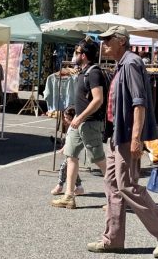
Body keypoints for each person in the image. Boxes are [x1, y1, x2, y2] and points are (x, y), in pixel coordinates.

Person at [87, 25, 158, 257]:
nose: (104, 44)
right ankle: (113, 239)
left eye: (108, 40)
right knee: (112, 185)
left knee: (127, 185)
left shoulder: (130, 63)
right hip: (117, 135)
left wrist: (136, 138)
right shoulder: (123, 64)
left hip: (127, 136)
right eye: (103, 40)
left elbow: (139, 103)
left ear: (121, 41)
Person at [51, 38, 108, 210]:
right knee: (71, 155)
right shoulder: (83, 71)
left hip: (90, 123)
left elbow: (98, 100)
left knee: (99, 160)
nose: (74, 55)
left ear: (83, 55)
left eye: (76, 52)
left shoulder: (94, 73)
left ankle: (117, 196)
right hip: (80, 121)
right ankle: (69, 195)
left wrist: (81, 116)